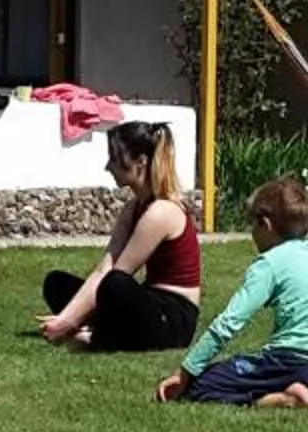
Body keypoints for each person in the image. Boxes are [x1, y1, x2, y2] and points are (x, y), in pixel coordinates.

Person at [155, 176, 308, 412]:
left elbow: (228, 323)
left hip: (287, 363)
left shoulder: (270, 263)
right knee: (240, 370)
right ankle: (302, 392)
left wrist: (185, 371)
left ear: (265, 224)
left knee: (199, 386)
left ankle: (284, 399)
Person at [38, 121, 202, 353]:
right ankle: (97, 330)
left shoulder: (161, 212)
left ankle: (97, 337)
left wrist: (70, 321)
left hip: (174, 318)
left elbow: (119, 273)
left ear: (141, 162)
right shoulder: (133, 208)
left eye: (114, 159)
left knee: (115, 284)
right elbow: (103, 269)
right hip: (148, 300)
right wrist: (66, 318)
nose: (108, 167)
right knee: (56, 283)